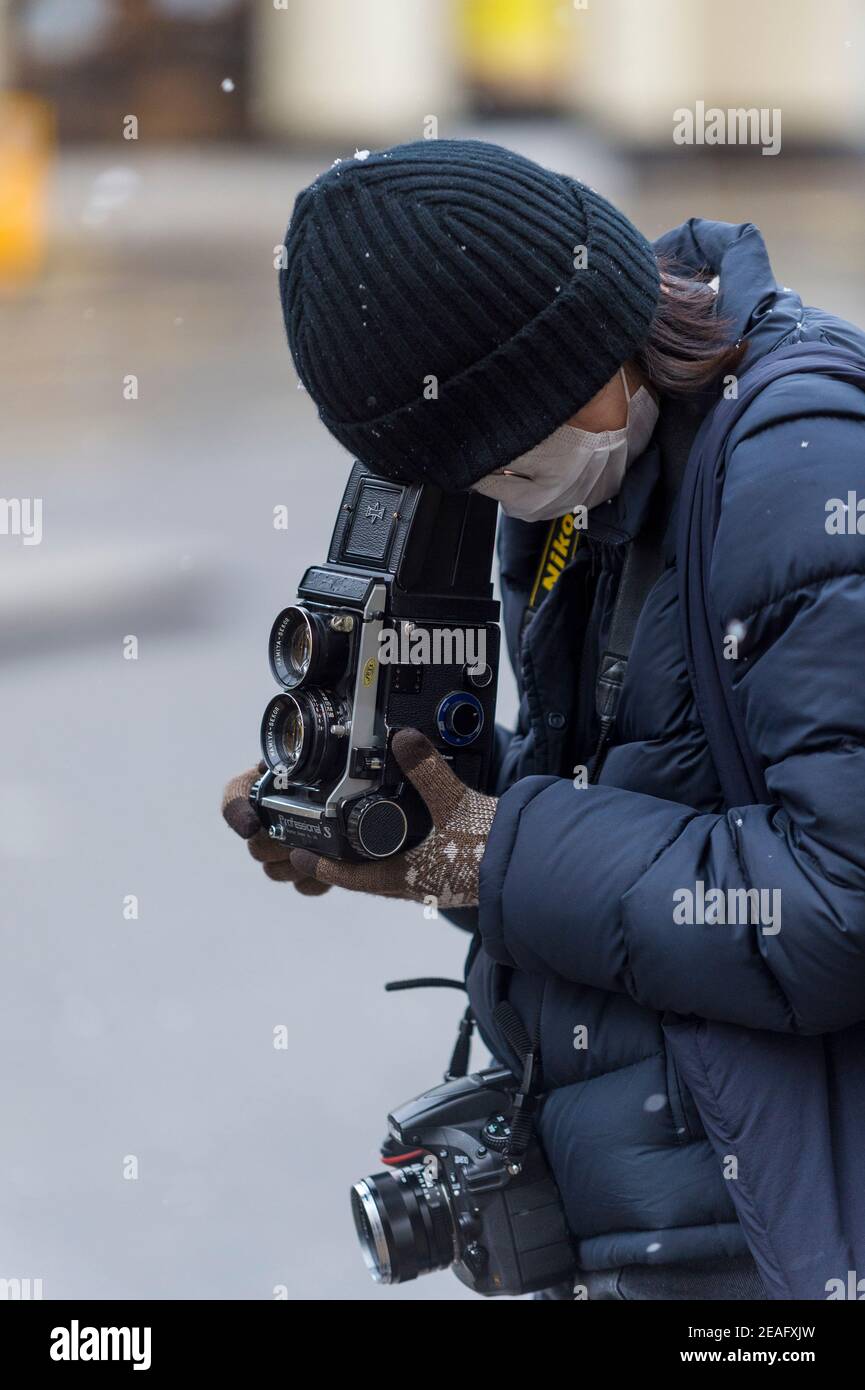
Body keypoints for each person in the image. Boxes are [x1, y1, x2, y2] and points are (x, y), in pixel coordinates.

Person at [223, 140, 865, 1300]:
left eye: (496, 457)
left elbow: (835, 900)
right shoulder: (597, 477)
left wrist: (487, 844)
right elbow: (634, 807)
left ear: (572, 348)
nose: (493, 489)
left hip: (779, 1236)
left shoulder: (798, 464)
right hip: (662, 1216)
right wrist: (407, 824)